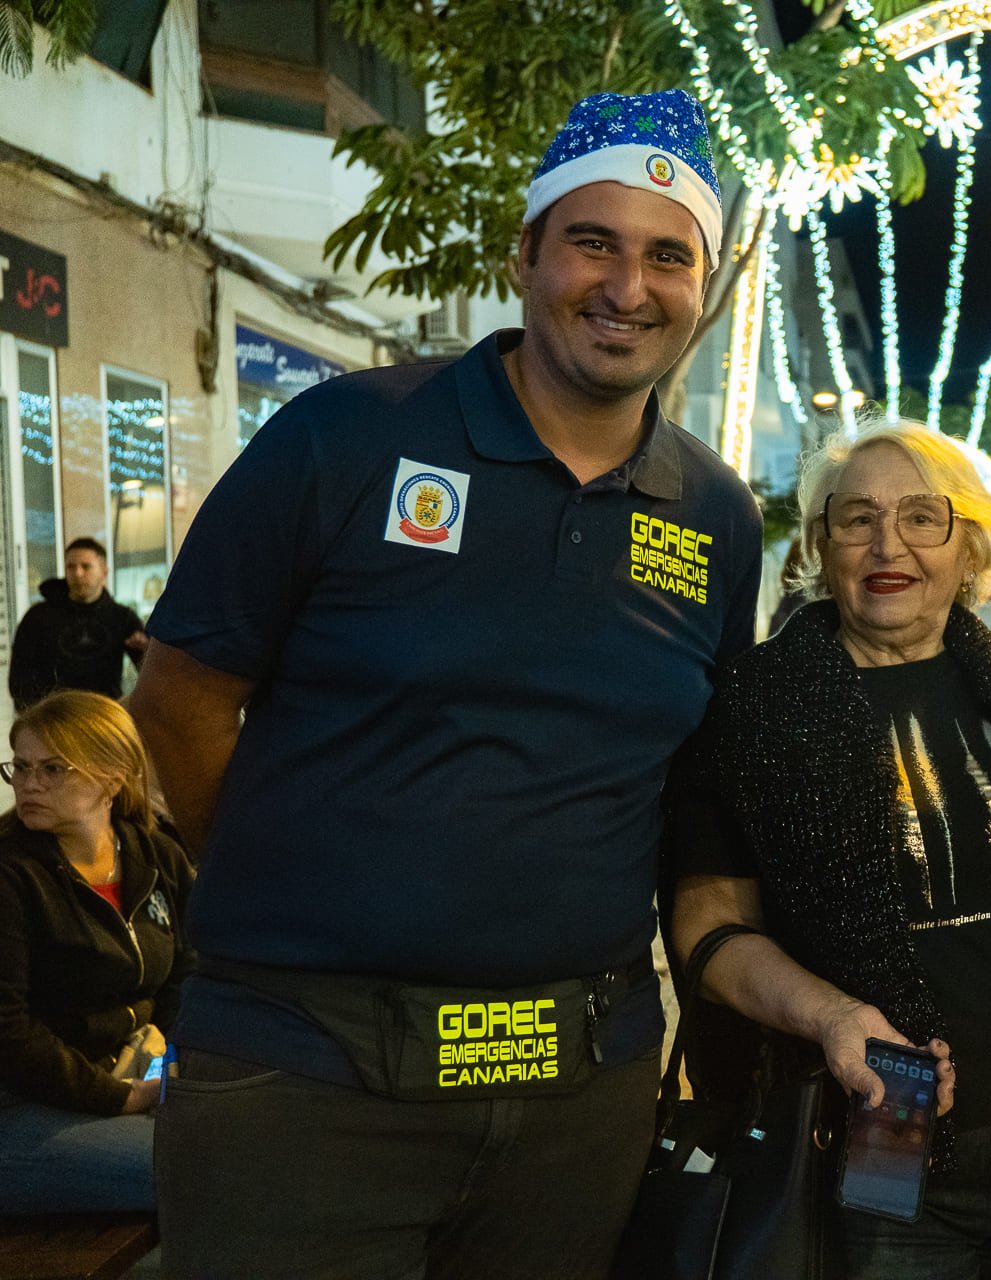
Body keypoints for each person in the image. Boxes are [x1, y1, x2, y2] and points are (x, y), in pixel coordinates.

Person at [124, 90, 761, 1277]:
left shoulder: (715, 515)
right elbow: (179, 695)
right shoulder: (348, 438)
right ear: (524, 254)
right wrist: (298, 888)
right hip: (306, 1081)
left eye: (669, 255)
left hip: (578, 1097)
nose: (628, 285)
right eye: (593, 241)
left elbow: (689, 778)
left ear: (705, 292)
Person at [666, 422, 991, 1279]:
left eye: (921, 517)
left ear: (970, 544)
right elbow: (705, 929)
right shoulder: (756, 710)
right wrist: (829, 1016)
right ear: (821, 546)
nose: (886, 543)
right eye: (855, 517)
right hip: (877, 1144)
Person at [0, 691, 192, 1213]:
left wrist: (171, 1065)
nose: (29, 784)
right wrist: (124, 1098)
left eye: (53, 769)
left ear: (112, 778)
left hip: (135, 1066)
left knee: (281, 1135)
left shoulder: (155, 856)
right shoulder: (11, 873)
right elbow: (8, 1033)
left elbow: (187, 975)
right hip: (25, 1103)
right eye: (20, 767)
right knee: (203, 1170)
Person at [9, 537, 149, 709]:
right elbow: (19, 678)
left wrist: (144, 650)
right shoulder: (39, 617)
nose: (78, 574)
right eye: (71, 567)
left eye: (86, 566)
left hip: (105, 716)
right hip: (54, 718)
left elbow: (150, 675)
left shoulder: (122, 617)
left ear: (104, 572)